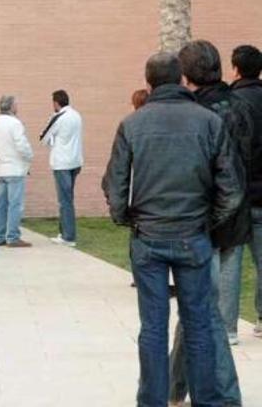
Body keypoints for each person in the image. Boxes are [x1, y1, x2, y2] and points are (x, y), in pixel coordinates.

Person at [102, 52, 243, 407]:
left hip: (149, 236)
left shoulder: (133, 123)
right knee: (198, 324)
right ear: (181, 80)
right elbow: (232, 188)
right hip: (191, 235)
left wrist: (125, 217)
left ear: (149, 83)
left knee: (152, 327)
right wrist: (207, 222)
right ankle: (207, 400)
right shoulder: (207, 121)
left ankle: (152, 401)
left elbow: (114, 183)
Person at [167, 41, 249, 406]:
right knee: (197, 307)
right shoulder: (239, 107)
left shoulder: (195, 116)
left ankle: (224, 396)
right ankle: (173, 387)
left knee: (204, 312)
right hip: (234, 220)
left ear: (186, 76)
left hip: (206, 227)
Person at [229, 44, 262, 338]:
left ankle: (228, 328)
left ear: (235, 68)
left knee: (231, 262)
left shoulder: (231, 101)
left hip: (237, 196)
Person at [0, 95, 33, 248]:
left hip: (1, 168)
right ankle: (13, 237)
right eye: (16, 104)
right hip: (15, 168)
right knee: (15, 204)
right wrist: (29, 156)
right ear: (12, 107)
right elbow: (22, 145)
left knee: (0, 204)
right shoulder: (15, 123)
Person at [40, 90, 84, 247]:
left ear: (56, 103)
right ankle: (65, 231)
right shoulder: (77, 115)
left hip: (61, 163)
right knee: (68, 198)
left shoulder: (57, 117)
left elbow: (43, 138)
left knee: (64, 201)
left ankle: (68, 236)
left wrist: (53, 140)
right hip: (75, 161)